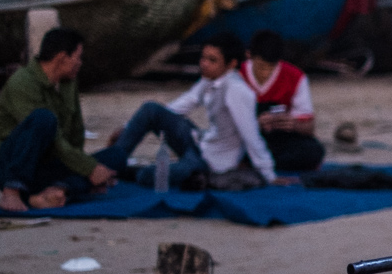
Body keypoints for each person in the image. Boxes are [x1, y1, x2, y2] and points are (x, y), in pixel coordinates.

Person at [95, 32, 288, 190]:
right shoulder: (209, 79)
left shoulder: (238, 91)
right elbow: (180, 106)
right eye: (203, 58)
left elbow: (251, 135)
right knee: (151, 109)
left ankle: (117, 172)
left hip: (209, 164)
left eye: (212, 60)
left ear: (231, 64)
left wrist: (268, 174)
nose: (204, 64)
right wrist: (128, 128)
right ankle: (109, 165)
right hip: (199, 142)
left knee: (148, 176)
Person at [0, 27, 117, 212]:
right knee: (44, 118)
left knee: (116, 156)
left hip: (46, 165)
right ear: (62, 58)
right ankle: (12, 191)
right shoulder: (22, 82)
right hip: (9, 164)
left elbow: (76, 133)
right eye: (77, 57)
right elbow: (55, 141)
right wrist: (88, 169)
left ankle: (53, 192)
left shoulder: (68, 83)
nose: (80, 63)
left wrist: (91, 171)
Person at [242, 29, 327, 172]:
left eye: (271, 68)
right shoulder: (237, 76)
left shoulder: (295, 77)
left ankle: (259, 163)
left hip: (280, 140)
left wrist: (293, 124)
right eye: (261, 67)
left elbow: (309, 126)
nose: (265, 73)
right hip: (245, 139)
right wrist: (255, 124)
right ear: (249, 55)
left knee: (313, 151)